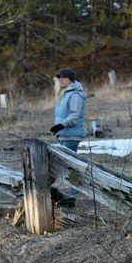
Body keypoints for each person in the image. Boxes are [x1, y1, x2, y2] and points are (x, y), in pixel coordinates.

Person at [50, 68, 87, 198]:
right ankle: (72, 188)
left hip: (72, 134)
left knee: (70, 164)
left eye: (64, 77)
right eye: (59, 77)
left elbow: (74, 116)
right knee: (66, 163)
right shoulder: (65, 94)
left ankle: (76, 188)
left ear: (71, 79)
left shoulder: (75, 94)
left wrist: (60, 125)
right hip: (64, 134)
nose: (60, 79)